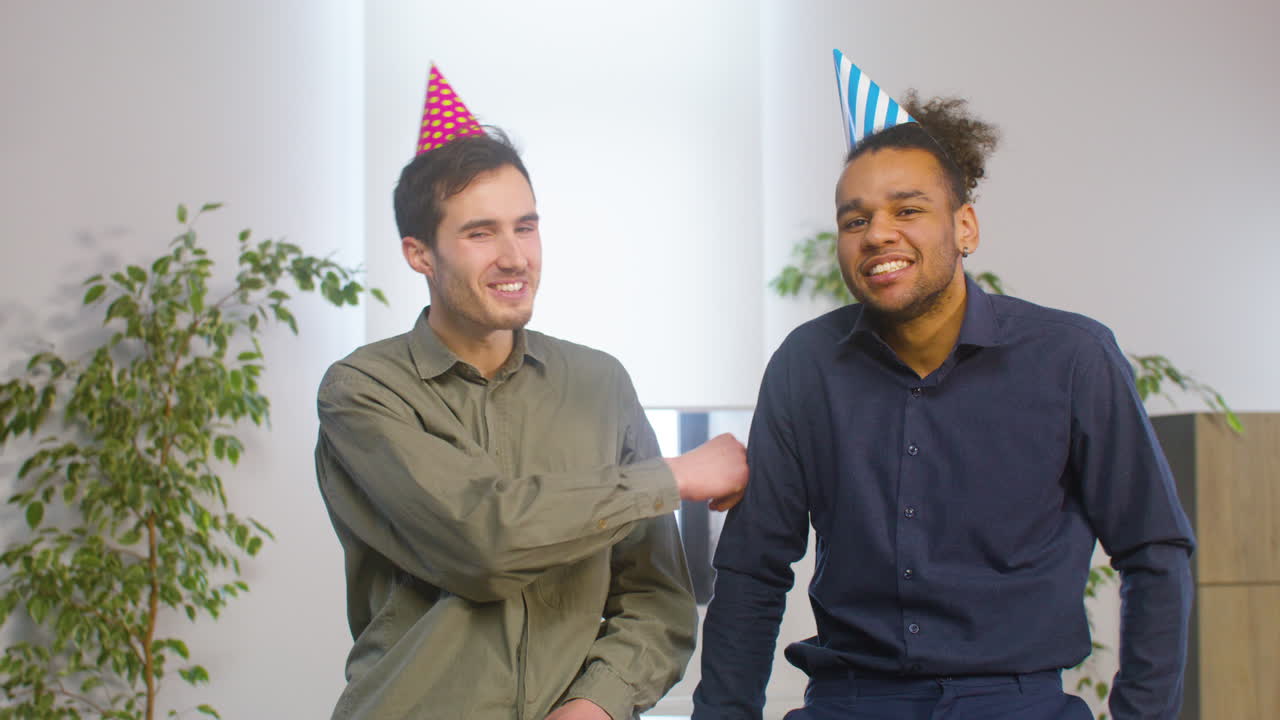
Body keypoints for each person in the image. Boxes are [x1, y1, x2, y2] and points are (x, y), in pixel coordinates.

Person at [692, 91, 1195, 720]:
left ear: (965, 227)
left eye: (908, 209)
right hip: (850, 702)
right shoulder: (806, 365)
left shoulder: (1073, 358)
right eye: (855, 220)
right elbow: (754, 568)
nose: (877, 233)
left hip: (1016, 704)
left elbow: (1154, 549)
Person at [315, 126, 748, 720]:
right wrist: (670, 478)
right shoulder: (363, 390)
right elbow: (482, 541)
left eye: (526, 226)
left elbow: (656, 598)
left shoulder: (600, 384)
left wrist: (596, 704)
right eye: (479, 233)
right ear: (419, 253)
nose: (515, 256)